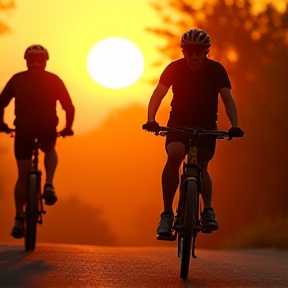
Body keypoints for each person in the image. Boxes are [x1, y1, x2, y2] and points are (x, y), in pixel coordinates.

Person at [142, 29, 244, 236]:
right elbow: (158, 95)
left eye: (200, 52)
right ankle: (167, 214)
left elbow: (228, 99)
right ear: (184, 52)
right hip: (179, 122)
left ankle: (207, 211)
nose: (195, 57)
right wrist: (151, 120)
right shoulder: (174, 69)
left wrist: (235, 124)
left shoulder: (216, 70)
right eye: (190, 52)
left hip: (206, 124)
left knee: (201, 165)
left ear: (206, 52)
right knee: (175, 154)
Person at [0, 44, 75, 239]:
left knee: (22, 175)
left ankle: (18, 218)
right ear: (45, 61)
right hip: (47, 125)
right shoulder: (54, 79)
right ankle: (49, 183)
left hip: (24, 127)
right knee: (49, 148)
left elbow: (1, 103)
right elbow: (69, 106)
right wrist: (68, 127)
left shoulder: (17, 79)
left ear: (27, 61)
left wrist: (2, 124)